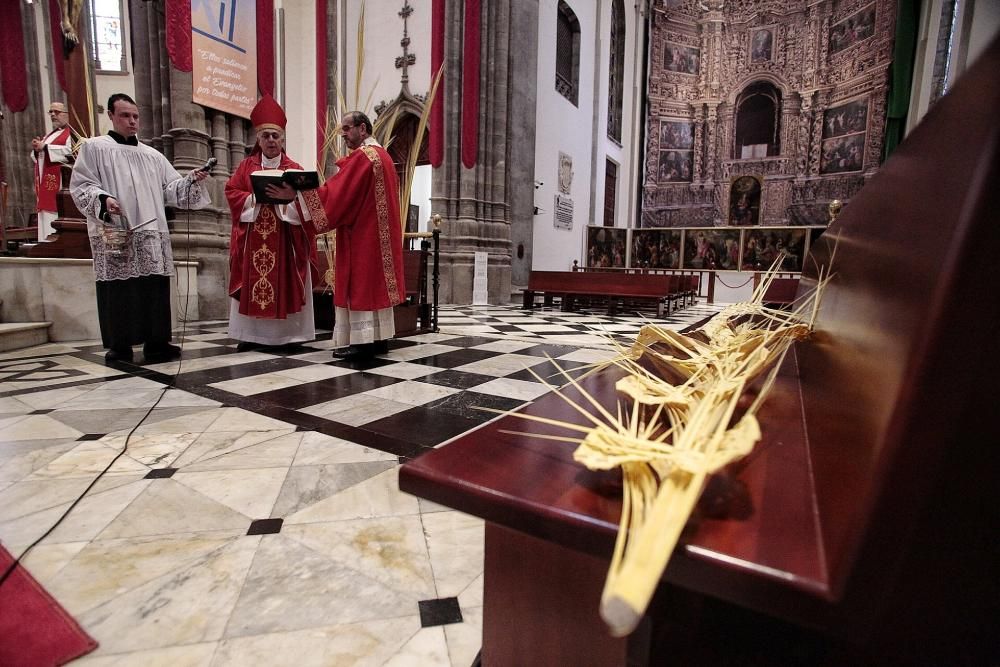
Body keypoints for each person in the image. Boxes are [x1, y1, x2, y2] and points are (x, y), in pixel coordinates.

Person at [70, 93, 211, 362]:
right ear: (110, 116)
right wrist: (104, 199)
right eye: (125, 115)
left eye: (135, 116)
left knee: (152, 288)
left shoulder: (153, 155)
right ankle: (120, 346)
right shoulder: (94, 148)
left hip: (151, 231)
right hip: (116, 231)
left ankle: (157, 343)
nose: (132, 121)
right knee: (119, 291)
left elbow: (172, 190)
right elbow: (82, 185)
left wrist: (192, 179)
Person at [305, 111, 405, 361]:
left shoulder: (364, 157)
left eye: (347, 129)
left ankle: (362, 343)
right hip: (380, 238)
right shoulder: (384, 156)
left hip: (363, 237)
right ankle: (378, 339)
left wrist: (305, 192)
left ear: (363, 129)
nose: (344, 136)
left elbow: (340, 194)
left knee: (361, 285)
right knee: (375, 286)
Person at [224, 95, 321, 351]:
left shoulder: (294, 168)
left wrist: (289, 199)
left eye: (275, 136)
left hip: (285, 239)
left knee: (285, 283)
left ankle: (288, 337)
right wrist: (255, 197)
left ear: (282, 140)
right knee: (252, 281)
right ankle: (251, 335)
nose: (270, 140)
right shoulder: (246, 167)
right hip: (254, 235)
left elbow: (311, 203)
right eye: (265, 135)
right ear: (258, 139)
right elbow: (232, 193)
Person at [30, 102, 74, 240]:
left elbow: (71, 152)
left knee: (52, 211)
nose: (53, 115)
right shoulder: (51, 134)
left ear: (67, 114)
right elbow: (37, 157)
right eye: (51, 112)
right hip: (44, 181)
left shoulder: (71, 133)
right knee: (45, 212)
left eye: (57, 112)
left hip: (61, 182)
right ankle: (44, 242)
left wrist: (46, 147)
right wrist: (37, 149)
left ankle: (52, 242)